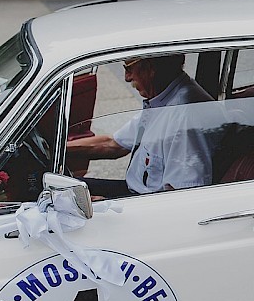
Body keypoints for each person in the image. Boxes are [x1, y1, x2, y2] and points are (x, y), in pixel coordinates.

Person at [67, 55, 216, 198]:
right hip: (136, 191)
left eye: (129, 69)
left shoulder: (183, 115)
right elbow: (114, 145)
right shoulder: (163, 100)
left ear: (150, 68)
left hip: (150, 204)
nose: (127, 78)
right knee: (65, 186)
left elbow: (181, 195)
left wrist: (105, 205)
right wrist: (61, 149)